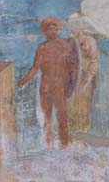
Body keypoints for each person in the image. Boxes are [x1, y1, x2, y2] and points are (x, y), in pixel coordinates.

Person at [18, 16, 79, 149]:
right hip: (46, 87)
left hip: (60, 87)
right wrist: (23, 81)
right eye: (48, 29)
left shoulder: (65, 45)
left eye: (54, 28)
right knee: (47, 117)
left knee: (62, 117)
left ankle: (64, 145)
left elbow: (72, 68)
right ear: (44, 31)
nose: (52, 31)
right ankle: (49, 145)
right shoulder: (42, 48)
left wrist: (71, 85)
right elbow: (35, 68)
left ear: (58, 29)